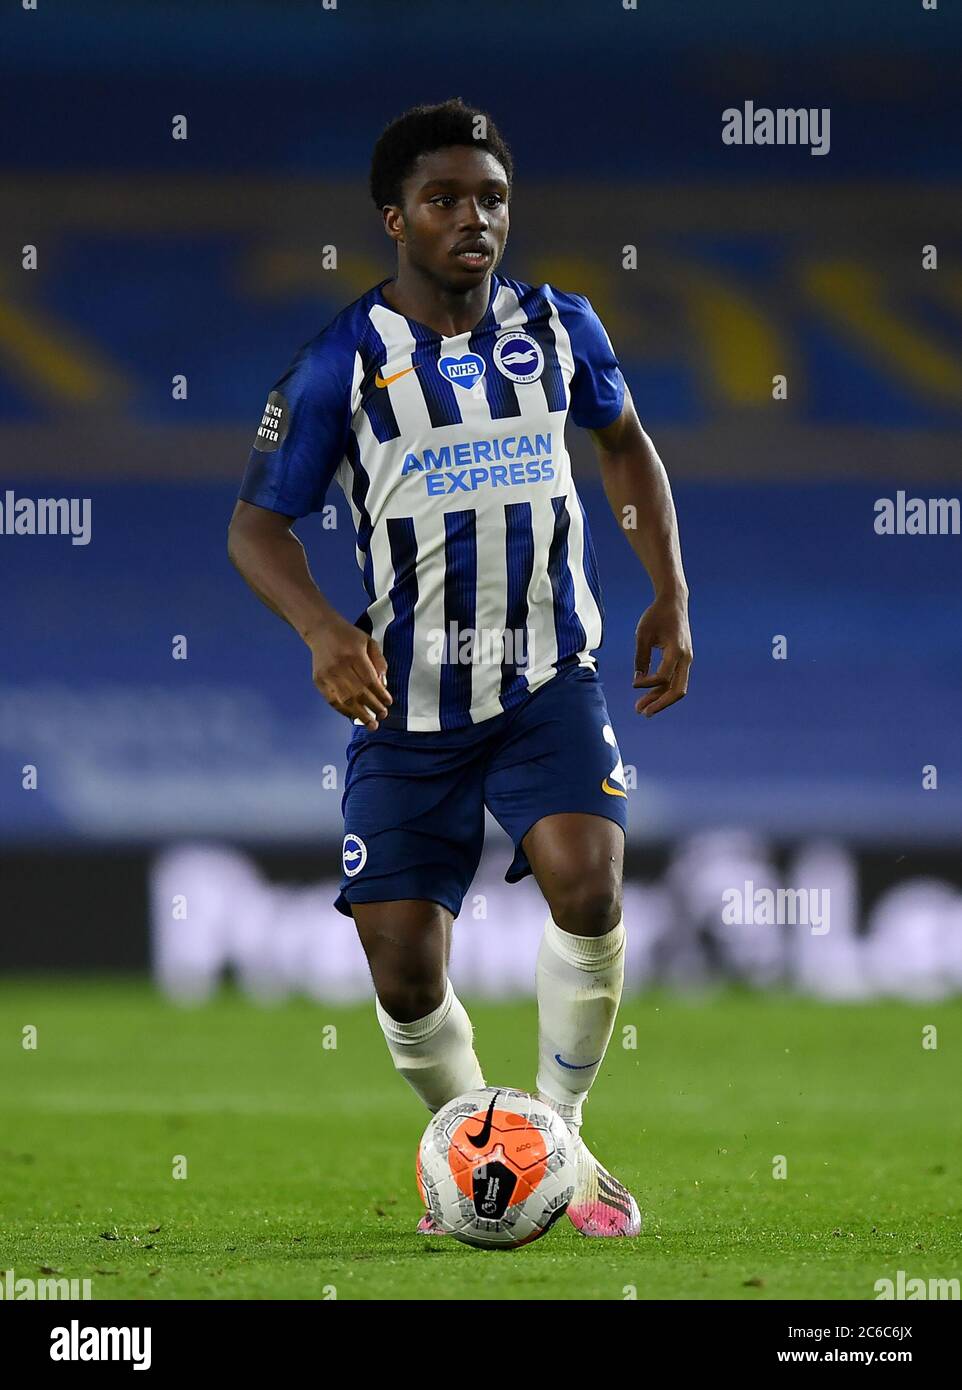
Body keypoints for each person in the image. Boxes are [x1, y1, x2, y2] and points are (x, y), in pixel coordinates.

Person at [228, 98, 692, 1237]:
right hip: (406, 702)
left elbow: (623, 444)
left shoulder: (561, 326)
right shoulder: (341, 364)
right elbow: (255, 528)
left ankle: (563, 1152)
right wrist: (323, 632)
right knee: (399, 968)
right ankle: (474, 1144)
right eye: (443, 200)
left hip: (546, 678)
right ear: (395, 218)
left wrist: (669, 590)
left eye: (489, 198)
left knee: (587, 879)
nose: (472, 219)